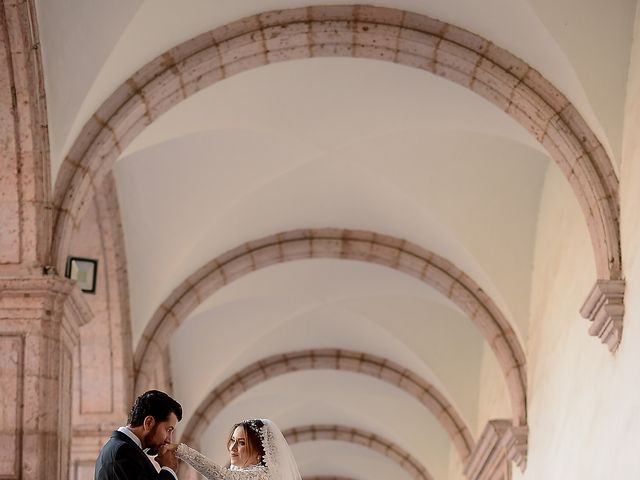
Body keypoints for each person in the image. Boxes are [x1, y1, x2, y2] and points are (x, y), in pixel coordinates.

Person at [163, 418, 302, 480]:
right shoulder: (241, 473)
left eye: (241, 443)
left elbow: (222, 476)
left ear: (259, 451)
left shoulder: (263, 476)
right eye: (232, 441)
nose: (232, 448)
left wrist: (180, 450)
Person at [95, 390, 183, 480]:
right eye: (168, 430)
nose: (169, 440)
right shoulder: (123, 452)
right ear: (149, 423)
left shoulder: (122, 449)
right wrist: (168, 469)